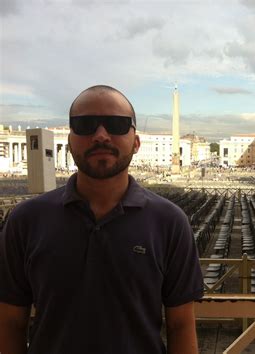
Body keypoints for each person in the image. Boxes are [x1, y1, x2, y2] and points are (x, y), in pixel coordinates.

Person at [0, 85, 203, 354]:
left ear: (136, 142)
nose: (101, 135)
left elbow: (181, 326)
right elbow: (11, 323)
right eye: (85, 125)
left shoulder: (171, 222)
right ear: (70, 140)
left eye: (117, 125)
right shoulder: (24, 220)